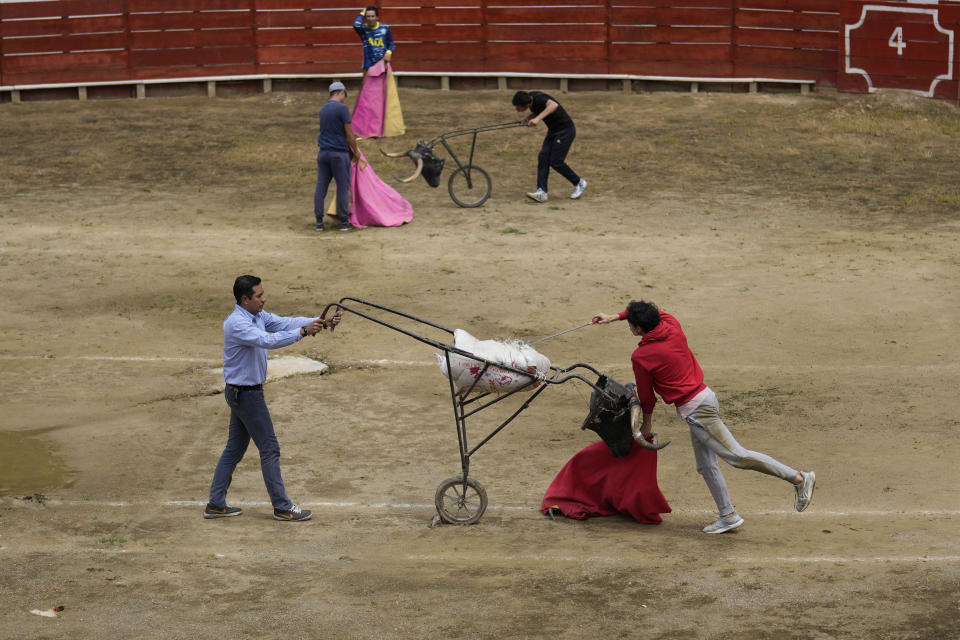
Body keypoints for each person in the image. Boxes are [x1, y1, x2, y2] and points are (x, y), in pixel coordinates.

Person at [591, 300, 816, 534]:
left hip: (697, 411)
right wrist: (613, 316)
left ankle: (799, 479)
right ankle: (728, 515)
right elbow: (653, 312)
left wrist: (646, 424)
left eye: (630, 324)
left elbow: (647, 397)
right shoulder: (671, 325)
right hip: (706, 398)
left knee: (737, 456)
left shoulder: (642, 356)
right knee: (706, 465)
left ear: (638, 328)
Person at [204, 275, 342, 522]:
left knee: (234, 449)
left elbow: (283, 322)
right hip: (246, 395)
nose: (264, 299)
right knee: (269, 448)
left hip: (241, 393)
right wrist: (303, 332)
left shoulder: (257, 315)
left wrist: (320, 321)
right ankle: (282, 506)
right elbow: (267, 340)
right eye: (259, 296)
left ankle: (216, 504)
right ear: (244, 299)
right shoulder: (237, 324)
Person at [512, 90, 587, 203]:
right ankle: (541, 192)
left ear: (527, 104)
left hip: (565, 130)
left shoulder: (539, 98)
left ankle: (579, 182)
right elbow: (540, 109)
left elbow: (553, 105)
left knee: (555, 161)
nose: (516, 109)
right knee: (543, 158)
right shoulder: (530, 98)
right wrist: (528, 117)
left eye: (518, 107)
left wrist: (537, 119)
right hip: (553, 131)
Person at [315, 80, 366, 232]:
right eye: (345, 95)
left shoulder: (323, 109)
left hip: (323, 153)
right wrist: (356, 152)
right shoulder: (342, 109)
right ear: (341, 92)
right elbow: (349, 134)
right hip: (338, 153)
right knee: (343, 186)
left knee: (321, 186)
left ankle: (318, 222)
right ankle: (344, 222)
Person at [353, 6, 394, 71]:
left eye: (372, 16)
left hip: (383, 64)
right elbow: (356, 25)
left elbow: (391, 43)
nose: (370, 19)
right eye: (368, 16)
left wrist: (388, 52)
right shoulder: (363, 29)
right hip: (368, 65)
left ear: (377, 17)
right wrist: (362, 14)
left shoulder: (385, 27)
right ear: (365, 18)